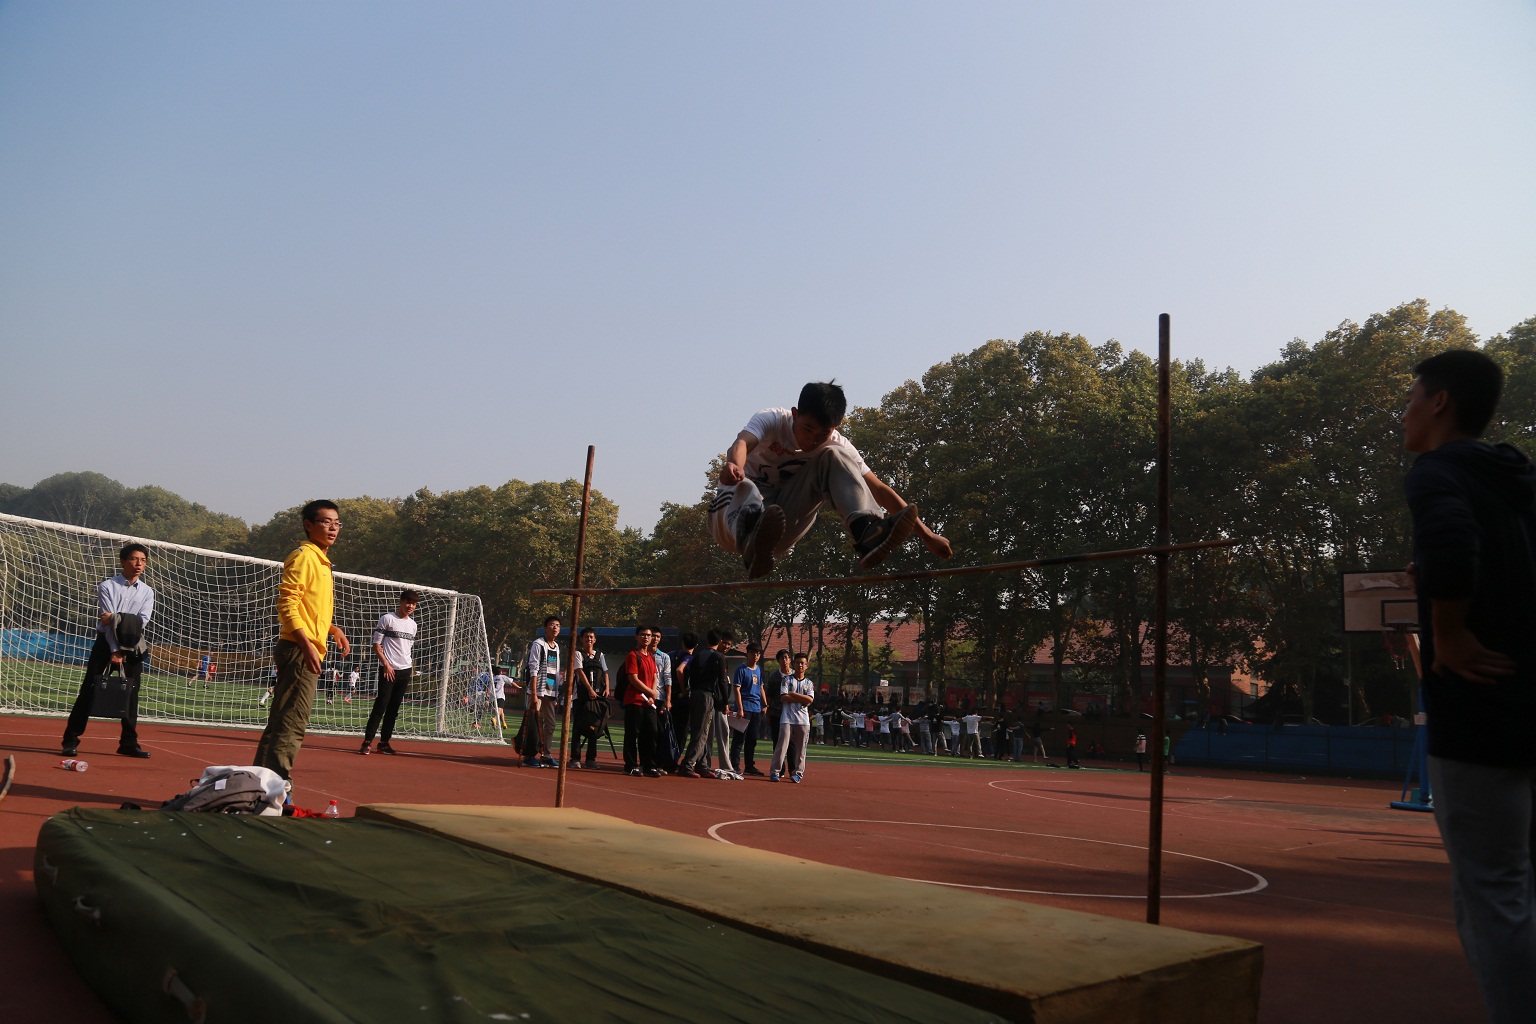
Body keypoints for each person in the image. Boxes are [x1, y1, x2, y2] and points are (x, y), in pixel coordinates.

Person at [1401, 348, 1536, 1023]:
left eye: (1410, 400)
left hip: (1481, 713)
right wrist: (1430, 575)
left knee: (1491, 892)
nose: (1404, 414)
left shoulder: (1437, 471)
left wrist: (1448, 630)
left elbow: (1454, 543)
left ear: (1440, 402)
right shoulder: (1516, 479)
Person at [709, 381, 953, 578]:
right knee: (747, 487)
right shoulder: (772, 419)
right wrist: (734, 465)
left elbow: (878, 489)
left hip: (778, 527)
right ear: (795, 414)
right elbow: (742, 442)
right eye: (808, 429)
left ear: (835, 427)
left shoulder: (836, 443)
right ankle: (751, 539)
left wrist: (928, 536)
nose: (813, 440)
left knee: (835, 455)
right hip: (731, 519)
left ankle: (866, 532)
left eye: (823, 433)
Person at [254, 500, 350, 781]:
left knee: (282, 720)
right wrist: (307, 645)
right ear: (308, 525)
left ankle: (262, 785)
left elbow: (309, 609)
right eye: (325, 522)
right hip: (299, 649)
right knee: (292, 721)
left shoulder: (321, 561)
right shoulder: (304, 557)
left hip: (303, 646)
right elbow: (287, 604)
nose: (332, 528)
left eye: (337, 523)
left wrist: (331, 629)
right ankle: (279, 788)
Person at [61, 542, 156, 759]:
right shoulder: (107, 586)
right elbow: (108, 623)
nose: (139, 564)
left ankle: (128, 743)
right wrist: (115, 648)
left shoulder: (147, 592)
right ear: (123, 561)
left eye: (143, 560)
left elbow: (141, 621)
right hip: (106, 644)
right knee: (88, 691)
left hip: (133, 645)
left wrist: (116, 619)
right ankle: (70, 740)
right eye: (134, 559)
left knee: (131, 695)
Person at [360, 590, 419, 755]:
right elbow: (376, 645)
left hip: (405, 670)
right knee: (381, 705)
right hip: (388, 670)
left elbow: (407, 648)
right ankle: (367, 742)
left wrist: (409, 668)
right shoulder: (387, 619)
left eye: (414, 604)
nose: (410, 606)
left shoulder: (413, 625)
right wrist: (386, 664)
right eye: (408, 602)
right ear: (401, 602)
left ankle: (384, 743)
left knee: (394, 709)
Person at [621, 626, 662, 777]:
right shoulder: (633, 655)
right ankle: (630, 766)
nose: (646, 637)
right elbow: (633, 679)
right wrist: (650, 692)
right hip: (634, 701)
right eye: (643, 635)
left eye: (649, 635)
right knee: (632, 734)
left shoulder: (651, 656)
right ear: (637, 637)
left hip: (648, 702)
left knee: (651, 732)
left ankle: (649, 765)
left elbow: (655, 677)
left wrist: (652, 694)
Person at [771, 653, 815, 783]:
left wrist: (793, 694)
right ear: (794, 664)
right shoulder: (787, 680)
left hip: (803, 720)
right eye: (797, 663)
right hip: (787, 718)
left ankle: (798, 773)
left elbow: (810, 700)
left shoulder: (809, 683)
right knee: (781, 746)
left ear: (806, 666)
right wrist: (802, 698)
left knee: (801, 749)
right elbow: (784, 697)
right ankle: (775, 772)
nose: (800, 665)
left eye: (802, 663)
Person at [570, 627, 609, 769]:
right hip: (580, 697)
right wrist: (589, 689)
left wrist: (607, 688)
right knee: (578, 727)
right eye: (586, 637)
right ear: (581, 639)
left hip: (596, 698)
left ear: (595, 639)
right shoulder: (578, 654)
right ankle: (575, 758)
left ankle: (591, 759)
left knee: (594, 727)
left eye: (591, 637)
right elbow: (579, 672)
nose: (589, 639)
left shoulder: (600, 655)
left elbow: (605, 672)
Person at [730, 642, 767, 776]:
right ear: (748, 653)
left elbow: (761, 687)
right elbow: (736, 689)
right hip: (744, 708)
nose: (755, 655)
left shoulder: (759, 670)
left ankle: (749, 766)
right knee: (739, 738)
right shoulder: (741, 669)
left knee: (752, 739)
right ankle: (734, 765)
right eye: (752, 653)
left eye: (757, 653)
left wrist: (765, 704)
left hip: (756, 708)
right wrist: (740, 708)